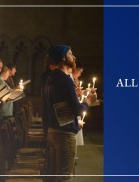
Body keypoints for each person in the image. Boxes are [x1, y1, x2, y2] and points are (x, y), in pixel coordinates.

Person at [43, 44, 95, 182]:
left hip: (52, 132)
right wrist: (88, 101)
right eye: (71, 53)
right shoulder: (65, 80)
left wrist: (73, 121)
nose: (74, 56)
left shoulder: (51, 78)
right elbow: (78, 109)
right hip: (64, 135)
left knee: (54, 176)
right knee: (64, 177)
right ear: (63, 58)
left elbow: (57, 108)